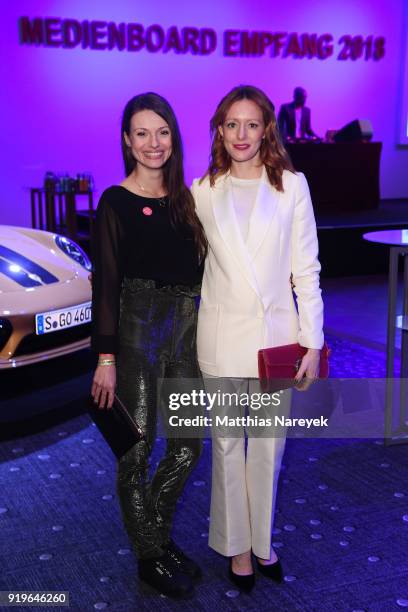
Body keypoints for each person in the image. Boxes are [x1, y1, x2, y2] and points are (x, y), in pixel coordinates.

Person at [191, 85, 324, 592]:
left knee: (268, 447)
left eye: (251, 124)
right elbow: (182, 259)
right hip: (222, 338)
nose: (241, 134)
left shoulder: (292, 186)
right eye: (231, 124)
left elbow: (306, 270)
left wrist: (312, 342)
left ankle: (263, 541)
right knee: (227, 446)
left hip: (276, 341)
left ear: (267, 127)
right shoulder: (203, 190)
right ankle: (237, 548)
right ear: (219, 131)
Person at [91, 92, 207, 599]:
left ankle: (154, 535)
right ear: (126, 140)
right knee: (135, 451)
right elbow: (107, 287)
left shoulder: (188, 200)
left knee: (187, 445)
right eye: (142, 133)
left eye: (161, 132)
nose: (153, 143)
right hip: (137, 334)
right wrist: (106, 358)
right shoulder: (114, 201)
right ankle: (149, 556)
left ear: (173, 137)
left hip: (186, 334)